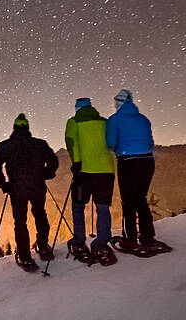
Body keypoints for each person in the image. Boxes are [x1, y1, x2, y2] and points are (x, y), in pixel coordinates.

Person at [0, 113, 58, 271]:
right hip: (37, 187)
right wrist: (46, 174)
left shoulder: (5, 145)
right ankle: (43, 246)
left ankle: (24, 255)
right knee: (40, 214)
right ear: (28, 128)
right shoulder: (39, 144)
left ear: (14, 128)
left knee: (20, 222)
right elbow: (53, 160)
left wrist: (3, 184)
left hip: (16, 189)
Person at [106, 89, 170, 254]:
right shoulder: (143, 119)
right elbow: (151, 142)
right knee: (140, 198)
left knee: (128, 201)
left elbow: (111, 143)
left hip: (128, 162)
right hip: (147, 161)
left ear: (119, 102)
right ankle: (147, 236)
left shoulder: (114, 120)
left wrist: (120, 149)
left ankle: (130, 239)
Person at [64, 98, 117, 266]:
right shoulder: (105, 122)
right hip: (106, 172)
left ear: (77, 108)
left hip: (84, 172)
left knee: (78, 206)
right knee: (102, 208)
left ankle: (79, 242)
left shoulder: (73, 122)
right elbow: (112, 143)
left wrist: (76, 163)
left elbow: (71, 142)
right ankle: (101, 245)